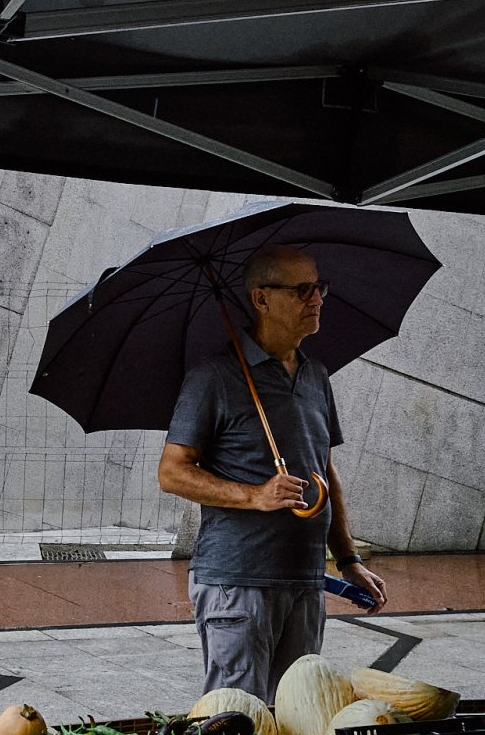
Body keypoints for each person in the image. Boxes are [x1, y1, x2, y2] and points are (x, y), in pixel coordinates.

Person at [157, 244, 386, 701]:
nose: (316, 299)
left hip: (304, 579)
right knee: (240, 720)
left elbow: (324, 468)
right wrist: (253, 495)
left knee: (297, 718)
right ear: (261, 299)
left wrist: (348, 558)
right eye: (302, 290)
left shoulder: (316, 375)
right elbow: (172, 471)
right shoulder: (214, 377)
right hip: (238, 583)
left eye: (318, 287)